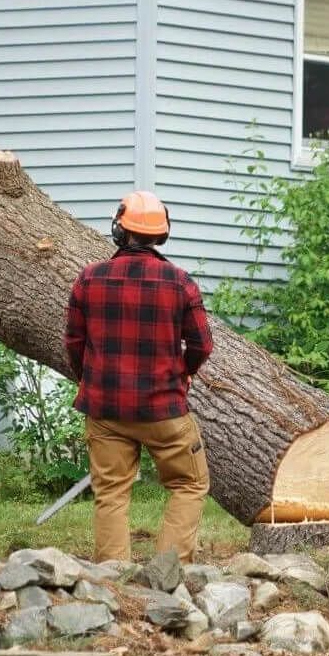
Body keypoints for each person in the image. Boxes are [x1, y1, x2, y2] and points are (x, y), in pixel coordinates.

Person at [64, 190, 214, 563]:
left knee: (111, 493)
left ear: (120, 229)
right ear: (162, 234)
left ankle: (112, 583)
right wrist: (183, 372)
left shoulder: (88, 279)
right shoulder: (180, 283)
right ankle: (169, 572)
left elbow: (73, 343)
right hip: (164, 410)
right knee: (190, 483)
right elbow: (202, 345)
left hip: (106, 411)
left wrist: (92, 381)